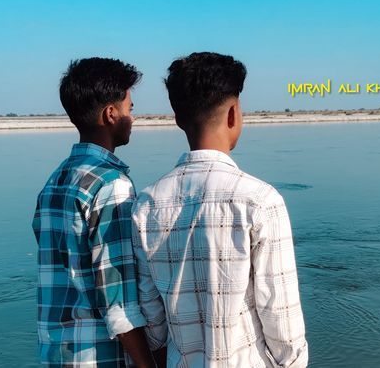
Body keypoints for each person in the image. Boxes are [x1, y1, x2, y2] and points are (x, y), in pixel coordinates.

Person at [131, 52, 308, 367]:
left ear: (178, 118)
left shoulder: (146, 204)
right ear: (233, 114)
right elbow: (281, 320)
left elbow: (153, 318)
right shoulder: (260, 200)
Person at [32, 57, 161, 367]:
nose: (133, 118)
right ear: (111, 114)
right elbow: (119, 304)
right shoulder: (111, 185)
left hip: (57, 353)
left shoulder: (56, 180)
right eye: (130, 109)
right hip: (99, 356)